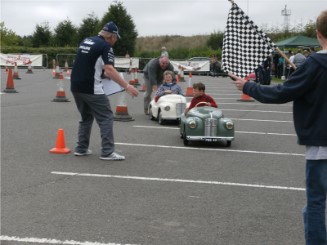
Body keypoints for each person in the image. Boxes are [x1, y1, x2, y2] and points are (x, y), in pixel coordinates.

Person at [229, 9, 327, 245]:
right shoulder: (313, 65)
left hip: (321, 144)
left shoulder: (315, 63)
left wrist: (248, 86)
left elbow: (281, 93)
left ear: (317, 34)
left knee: (315, 203)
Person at [70, 21, 139, 161]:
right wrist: (127, 86)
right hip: (91, 87)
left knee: (86, 117)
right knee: (106, 117)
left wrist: (103, 75)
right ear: (112, 36)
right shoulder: (105, 46)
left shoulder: (87, 40)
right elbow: (109, 69)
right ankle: (107, 152)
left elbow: (88, 64)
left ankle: (81, 148)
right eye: (116, 38)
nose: (116, 41)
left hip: (76, 86)